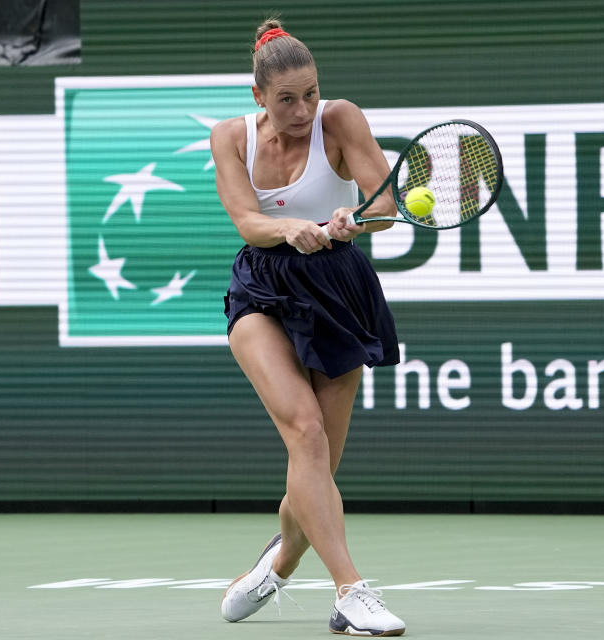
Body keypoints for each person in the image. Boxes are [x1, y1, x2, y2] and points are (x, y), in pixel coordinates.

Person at [210, 17, 406, 638]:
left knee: (317, 461)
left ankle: (281, 560)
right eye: (287, 99)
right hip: (262, 289)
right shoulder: (229, 137)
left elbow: (389, 208)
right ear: (259, 97)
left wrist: (356, 217)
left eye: (311, 94)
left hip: (338, 287)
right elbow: (245, 218)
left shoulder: (342, 119)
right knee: (306, 431)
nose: (303, 110)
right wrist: (288, 228)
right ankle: (352, 591)